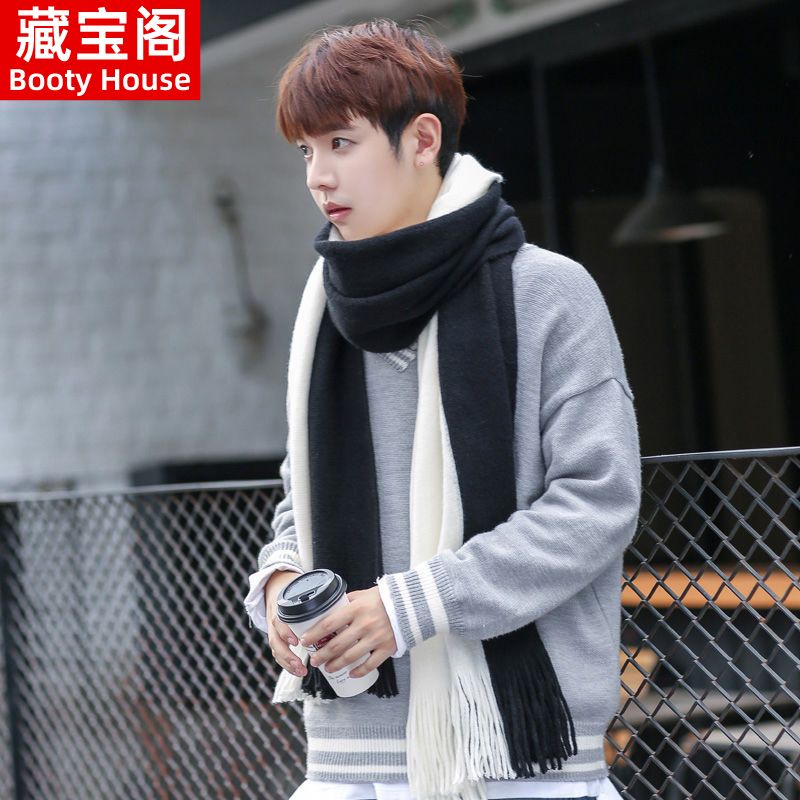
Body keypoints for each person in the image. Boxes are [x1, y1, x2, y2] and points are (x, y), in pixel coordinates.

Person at [243, 18, 642, 800]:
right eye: (306, 152)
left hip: (518, 759)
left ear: (422, 139)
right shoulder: (325, 313)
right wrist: (281, 582)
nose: (319, 176)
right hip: (349, 756)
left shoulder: (548, 292)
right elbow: (300, 498)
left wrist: (412, 606)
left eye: (341, 143)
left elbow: (597, 503)